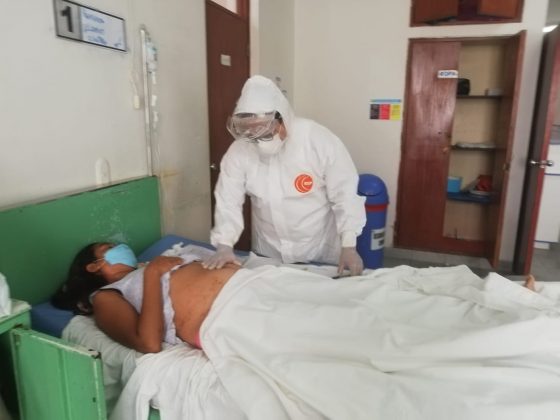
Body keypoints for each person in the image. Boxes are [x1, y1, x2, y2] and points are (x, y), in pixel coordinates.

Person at [53, 242, 560, 419]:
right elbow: (146, 343)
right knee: (367, 343)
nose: (119, 248)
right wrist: (157, 276)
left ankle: (500, 319)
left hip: (267, 286)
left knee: (377, 309)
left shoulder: (157, 258)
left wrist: (207, 262)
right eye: (107, 248)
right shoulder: (107, 297)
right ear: (96, 267)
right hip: (236, 317)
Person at [204, 75, 366, 276]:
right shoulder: (239, 151)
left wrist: (349, 245)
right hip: (269, 253)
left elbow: (344, 194)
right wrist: (224, 244)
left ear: (282, 119)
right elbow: (228, 199)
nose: (257, 138)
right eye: (249, 131)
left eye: (264, 129)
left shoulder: (317, 140)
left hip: (318, 252)